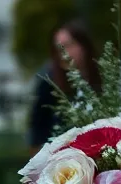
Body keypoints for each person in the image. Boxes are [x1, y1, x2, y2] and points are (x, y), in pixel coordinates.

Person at [29, 20, 101, 150]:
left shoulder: (102, 77)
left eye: (68, 45)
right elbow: (37, 128)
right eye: (58, 48)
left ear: (83, 46)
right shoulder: (49, 82)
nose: (63, 53)